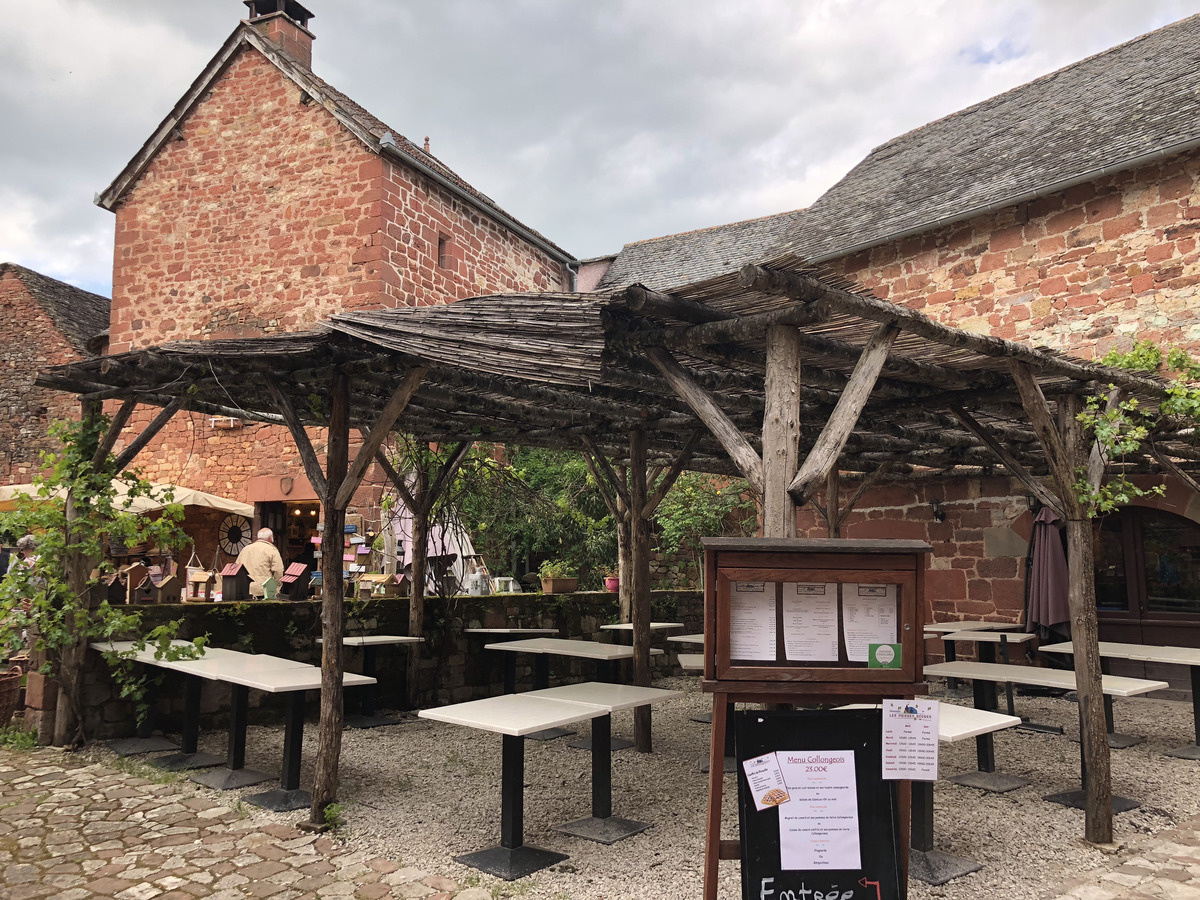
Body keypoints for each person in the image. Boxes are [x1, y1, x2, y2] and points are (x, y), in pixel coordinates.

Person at [235, 527, 285, 598]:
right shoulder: (272, 550)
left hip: (246, 590)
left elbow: (236, 568)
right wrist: (277, 587)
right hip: (264, 590)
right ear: (271, 538)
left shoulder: (245, 549)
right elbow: (278, 571)